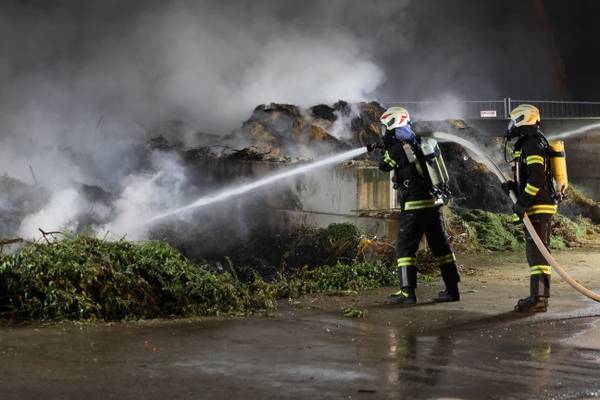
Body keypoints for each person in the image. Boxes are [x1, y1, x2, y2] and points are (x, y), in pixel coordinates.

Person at [375, 106, 460, 304]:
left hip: (414, 205)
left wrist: (386, 147)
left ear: (392, 125)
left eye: (385, 127)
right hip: (433, 202)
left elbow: (383, 166)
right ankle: (452, 290)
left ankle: (407, 293)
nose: (384, 131)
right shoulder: (421, 141)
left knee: (405, 248)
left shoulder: (398, 148)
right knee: (440, 246)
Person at [502, 104, 556, 313]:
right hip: (537, 204)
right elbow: (530, 176)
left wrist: (522, 202)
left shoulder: (532, 144)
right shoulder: (530, 143)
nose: (510, 126)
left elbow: (537, 178)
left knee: (538, 253)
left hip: (538, 205)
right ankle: (538, 296)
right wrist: (513, 188)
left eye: (513, 121)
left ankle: (539, 298)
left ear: (522, 120)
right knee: (535, 251)